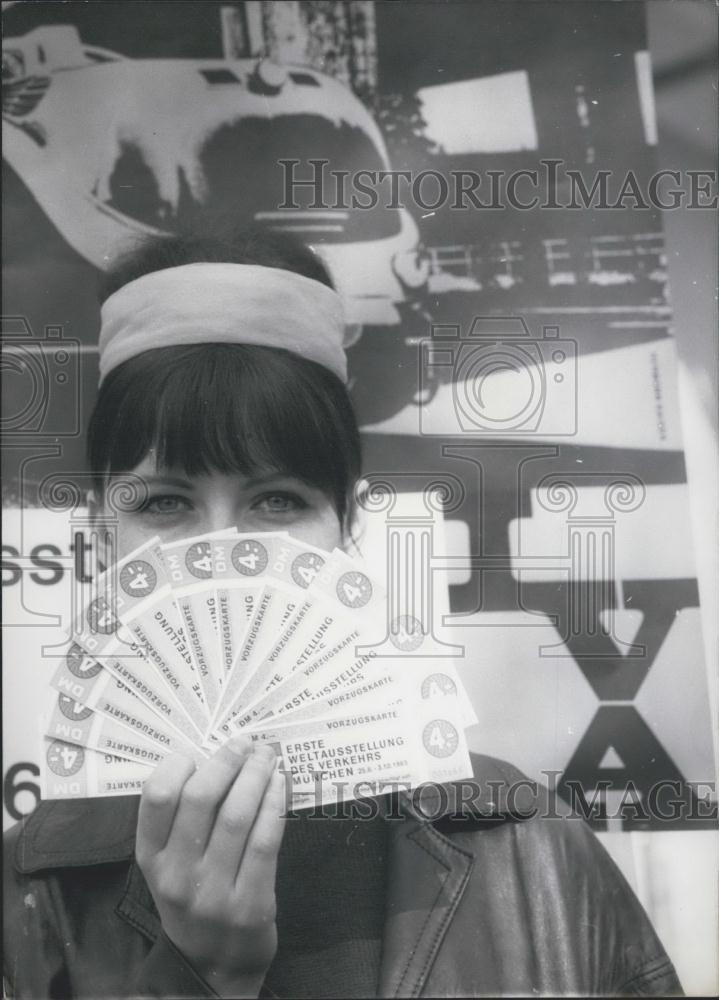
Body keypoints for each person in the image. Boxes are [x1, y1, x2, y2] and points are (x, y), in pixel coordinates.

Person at [4, 225, 682, 999]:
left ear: (347, 529)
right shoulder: (26, 897)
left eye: (278, 501)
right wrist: (200, 976)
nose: (222, 558)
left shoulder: (531, 853)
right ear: (101, 535)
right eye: (164, 501)